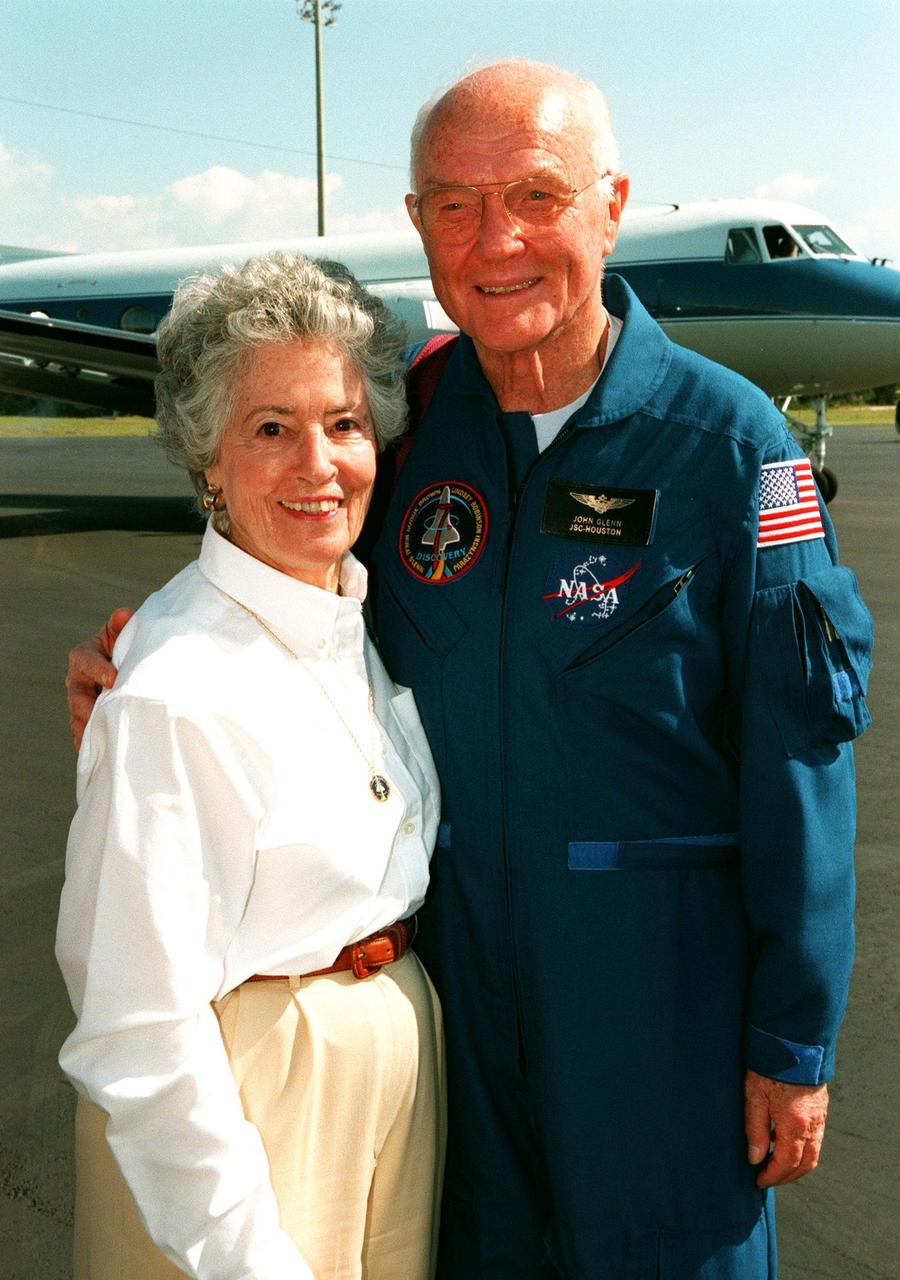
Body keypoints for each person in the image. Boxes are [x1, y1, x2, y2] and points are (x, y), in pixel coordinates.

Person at [67, 61, 873, 1280]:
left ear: (611, 206)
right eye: (454, 203)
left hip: (659, 1028)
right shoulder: (406, 421)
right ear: (418, 224)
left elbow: (802, 755)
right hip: (453, 1029)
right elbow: (294, 568)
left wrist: (793, 1042)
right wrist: (150, 661)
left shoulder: (734, 446)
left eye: (536, 195)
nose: (495, 239)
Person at [56, 250, 445, 1280]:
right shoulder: (175, 687)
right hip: (241, 1123)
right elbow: (137, 1028)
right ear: (208, 462)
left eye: (344, 422)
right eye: (271, 428)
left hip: (386, 1096)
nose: (319, 462)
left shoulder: (336, 613)